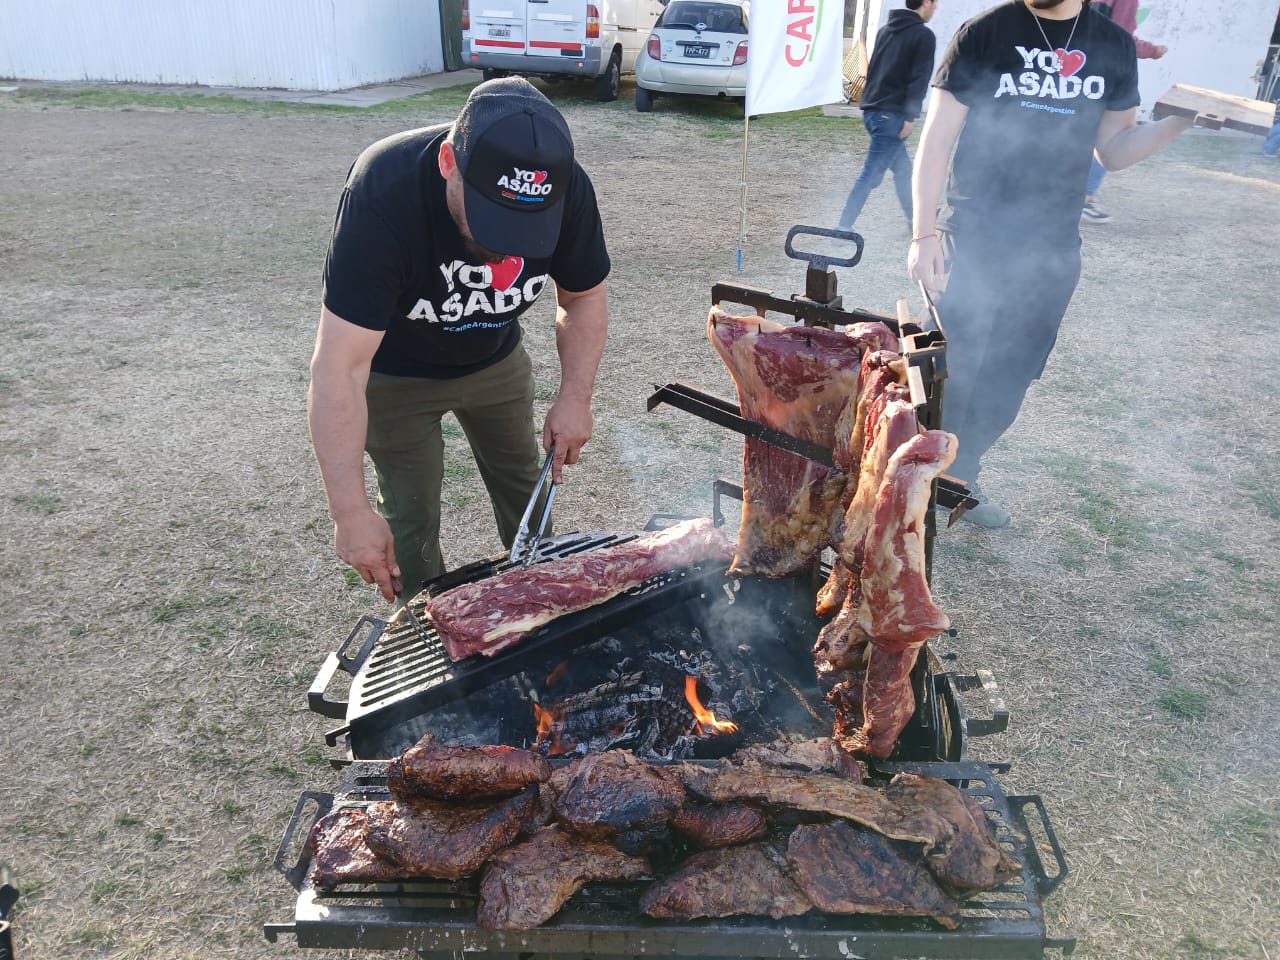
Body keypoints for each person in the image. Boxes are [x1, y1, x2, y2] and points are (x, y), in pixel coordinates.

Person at [308, 77, 610, 601]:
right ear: (449, 162)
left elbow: (582, 297)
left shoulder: (566, 186)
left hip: (496, 361)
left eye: (527, 225)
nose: (507, 247)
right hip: (395, 374)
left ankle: (542, 598)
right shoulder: (382, 190)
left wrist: (575, 398)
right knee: (411, 511)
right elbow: (340, 368)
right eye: (494, 219)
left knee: (524, 482)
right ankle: (423, 625)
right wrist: (349, 511)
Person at [907, 0, 1193, 528]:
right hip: (972, 234)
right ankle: (909, 478)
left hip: (1051, 248)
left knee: (1013, 370)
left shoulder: (1111, 45)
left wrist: (1176, 122)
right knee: (945, 367)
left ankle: (959, 478)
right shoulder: (985, 32)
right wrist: (924, 232)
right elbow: (937, 137)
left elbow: (1115, 151)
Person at [837, 0, 940, 232]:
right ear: (925, 3)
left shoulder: (885, 30)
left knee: (903, 171)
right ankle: (843, 227)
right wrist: (909, 117)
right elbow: (919, 79)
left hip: (873, 113)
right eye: (935, 4)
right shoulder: (923, 36)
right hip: (890, 118)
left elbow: (871, 71)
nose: (935, 9)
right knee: (870, 175)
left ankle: (916, 219)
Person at [1081, 0, 1169, 222]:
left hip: (1064, 64)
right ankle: (1084, 198)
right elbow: (1119, 36)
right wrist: (1153, 50)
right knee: (1113, 138)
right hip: (1102, 73)